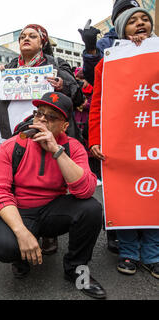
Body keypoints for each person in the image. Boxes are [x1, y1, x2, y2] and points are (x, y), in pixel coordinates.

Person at [0, 91, 106, 299]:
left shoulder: (72, 147)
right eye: (39, 114)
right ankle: (21, 256)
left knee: (92, 209)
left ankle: (76, 269)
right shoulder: (12, 145)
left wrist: (57, 151)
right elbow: (0, 192)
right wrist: (21, 232)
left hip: (53, 208)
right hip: (20, 210)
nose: (42, 119)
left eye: (51, 117)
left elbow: (85, 190)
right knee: (5, 247)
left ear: (64, 126)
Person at [0, 24, 85, 254]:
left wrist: (64, 86)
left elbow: (78, 97)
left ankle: (49, 231)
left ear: (42, 42)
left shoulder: (56, 67)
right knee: (18, 177)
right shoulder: (10, 68)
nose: (26, 39)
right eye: (22, 36)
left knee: (52, 176)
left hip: (50, 132)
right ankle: (22, 229)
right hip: (18, 132)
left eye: (32, 36)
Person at [88, 6, 158, 279]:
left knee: (154, 197)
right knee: (125, 197)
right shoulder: (109, 60)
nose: (140, 23)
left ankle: (153, 255)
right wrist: (95, 139)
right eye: (133, 21)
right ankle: (129, 251)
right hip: (121, 143)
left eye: (145, 20)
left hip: (152, 138)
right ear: (121, 29)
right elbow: (98, 104)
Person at [79, 0, 140, 86]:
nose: (130, 17)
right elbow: (94, 78)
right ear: (115, 21)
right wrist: (91, 50)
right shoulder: (106, 44)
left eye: (135, 13)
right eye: (125, 13)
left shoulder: (152, 40)